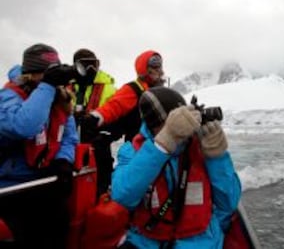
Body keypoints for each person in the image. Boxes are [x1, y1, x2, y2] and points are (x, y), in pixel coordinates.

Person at [111, 87, 242, 249]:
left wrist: (218, 157)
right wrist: (163, 144)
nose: (184, 128)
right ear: (154, 126)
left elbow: (229, 203)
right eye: (173, 122)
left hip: (201, 242)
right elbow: (122, 197)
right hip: (146, 242)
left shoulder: (201, 148)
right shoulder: (132, 151)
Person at [0, 43, 78, 248]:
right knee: (24, 232)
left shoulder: (59, 98)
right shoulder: (8, 96)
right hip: (11, 185)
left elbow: (69, 137)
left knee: (59, 223)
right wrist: (47, 86)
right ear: (31, 74)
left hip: (43, 179)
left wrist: (64, 160)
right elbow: (24, 126)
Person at [82, 50, 165, 143]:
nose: (159, 70)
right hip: (138, 146)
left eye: (159, 66)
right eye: (154, 67)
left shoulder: (161, 92)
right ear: (145, 69)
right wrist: (95, 117)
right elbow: (114, 106)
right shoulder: (134, 89)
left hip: (160, 146)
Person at [71, 48, 117, 197]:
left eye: (94, 64)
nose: (91, 69)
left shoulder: (109, 89)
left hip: (100, 150)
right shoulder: (67, 87)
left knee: (100, 192)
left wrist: (108, 134)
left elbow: (120, 119)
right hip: (70, 152)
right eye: (86, 65)